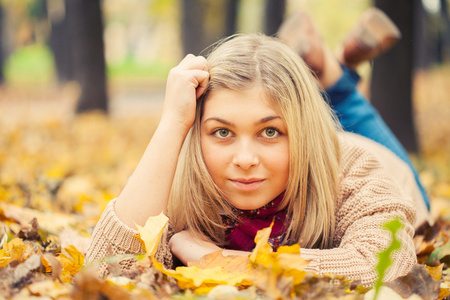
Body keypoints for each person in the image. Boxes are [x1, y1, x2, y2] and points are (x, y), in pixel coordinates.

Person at [85, 9, 430, 287]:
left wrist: (220, 262)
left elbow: (384, 266)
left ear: (302, 132)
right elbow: (107, 270)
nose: (245, 160)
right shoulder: (183, 179)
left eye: (269, 131)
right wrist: (172, 123)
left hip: (382, 166)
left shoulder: (356, 170)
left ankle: (334, 76)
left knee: (346, 110)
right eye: (222, 132)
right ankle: (327, 68)